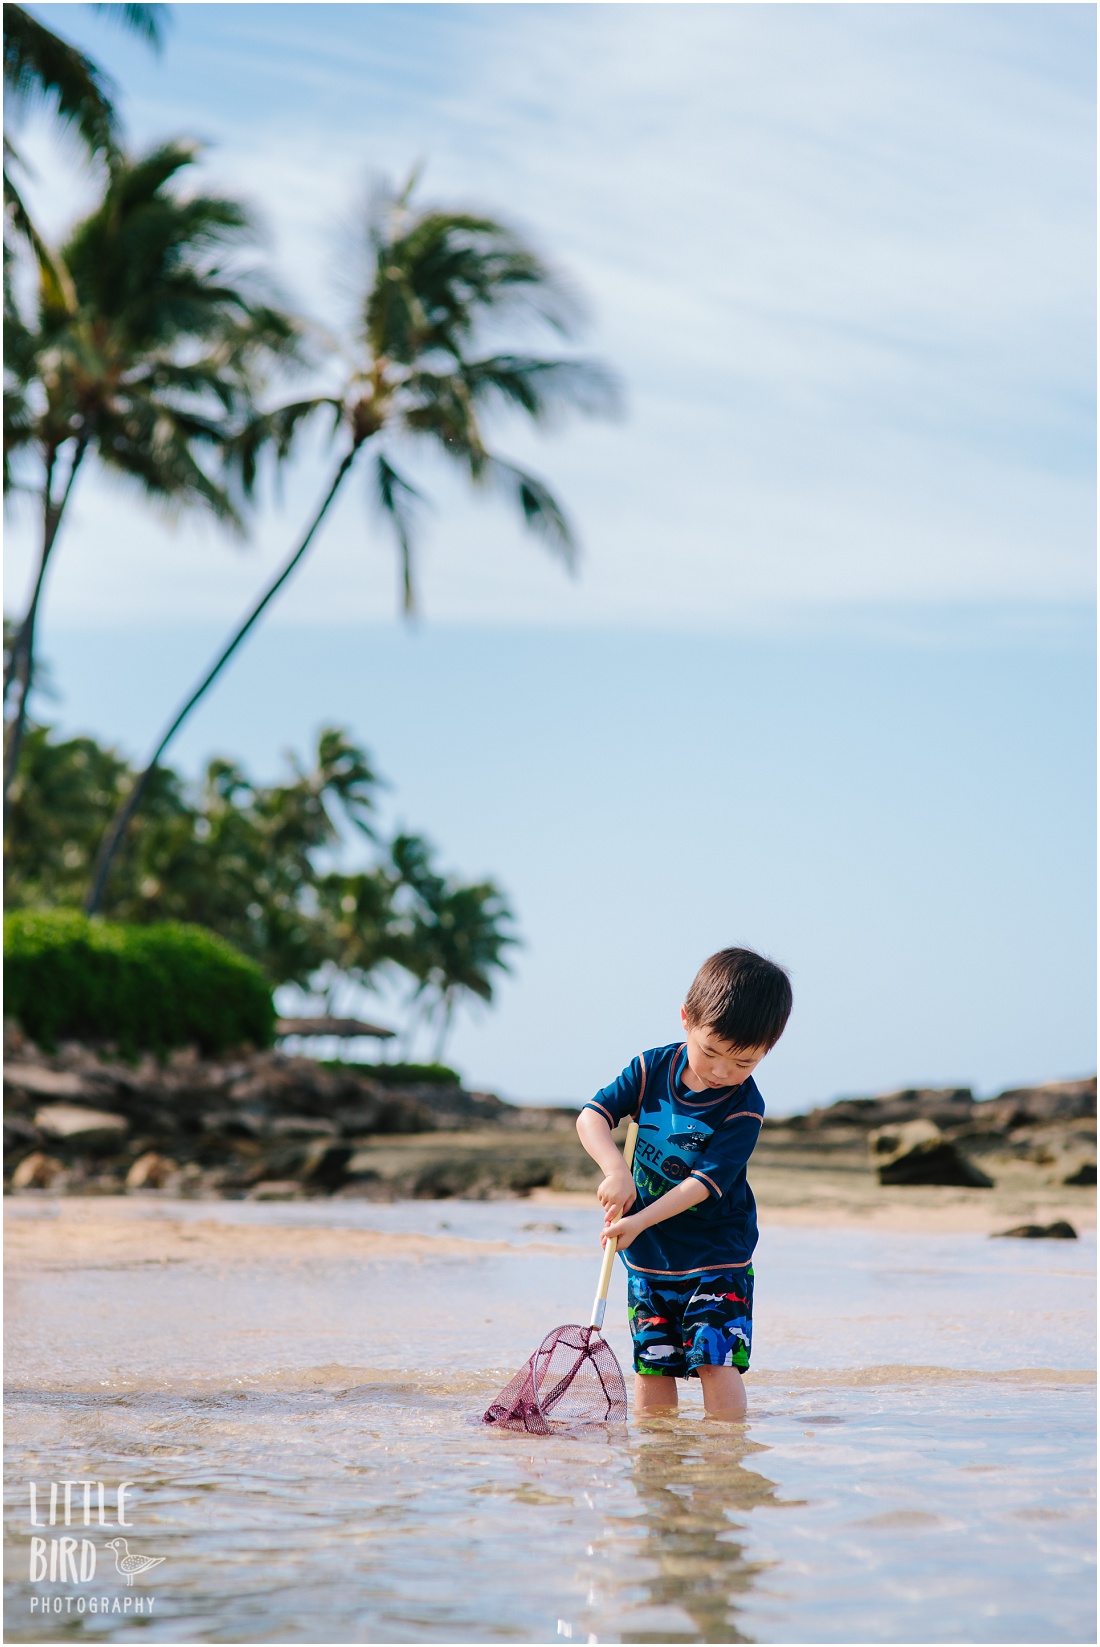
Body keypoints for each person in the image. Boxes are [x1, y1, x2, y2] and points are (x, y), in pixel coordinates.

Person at [576, 947, 792, 1420]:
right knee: (652, 1366)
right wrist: (616, 1171)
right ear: (686, 1018)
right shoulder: (650, 1069)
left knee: (716, 1360)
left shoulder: (744, 1108)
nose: (722, 1071)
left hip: (718, 1256)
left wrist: (639, 1218)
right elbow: (592, 1117)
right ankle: (659, 1464)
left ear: (765, 1053)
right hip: (649, 1256)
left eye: (744, 1062)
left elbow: (702, 1183)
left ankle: (725, 1461)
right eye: (711, 1052)